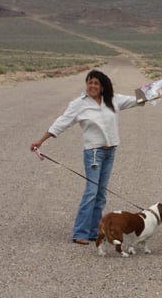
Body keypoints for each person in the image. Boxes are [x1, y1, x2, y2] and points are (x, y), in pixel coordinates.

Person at [30, 69, 145, 245]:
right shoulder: (79, 104)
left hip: (110, 151)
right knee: (91, 192)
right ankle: (80, 232)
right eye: (89, 82)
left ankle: (94, 231)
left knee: (101, 194)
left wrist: (153, 90)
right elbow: (62, 122)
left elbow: (135, 100)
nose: (92, 86)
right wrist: (40, 141)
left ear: (102, 86)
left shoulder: (112, 100)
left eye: (96, 83)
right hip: (93, 153)